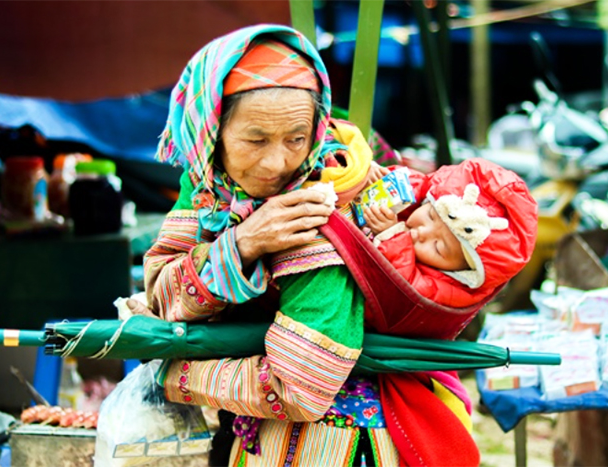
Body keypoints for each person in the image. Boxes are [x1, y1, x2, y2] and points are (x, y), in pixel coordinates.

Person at [131, 24, 504, 467]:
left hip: (335, 445)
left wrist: (174, 371)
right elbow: (161, 292)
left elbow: (299, 387)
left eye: (296, 138)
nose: (277, 163)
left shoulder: (324, 208)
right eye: (255, 139)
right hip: (255, 430)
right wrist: (244, 243)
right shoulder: (211, 186)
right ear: (210, 129)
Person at [361, 158, 538, 308]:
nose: (422, 232)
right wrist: (382, 182)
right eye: (430, 216)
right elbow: (421, 185)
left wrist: (391, 236)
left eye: (438, 247)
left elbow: (405, 290)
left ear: (459, 273)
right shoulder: (432, 199)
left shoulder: (448, 291)